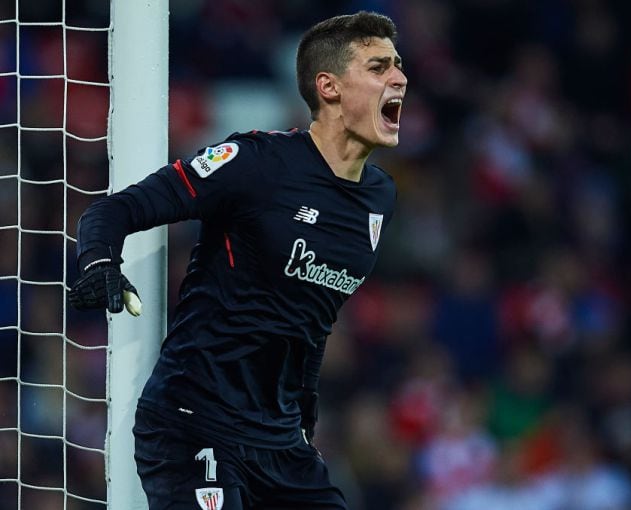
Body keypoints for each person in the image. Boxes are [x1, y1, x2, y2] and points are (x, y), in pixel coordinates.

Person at [68, 11, 406, 509]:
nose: (399, 77)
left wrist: (303, 420)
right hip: (194, 421)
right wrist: (99, 262)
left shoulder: (380, 197)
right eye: (379, 67)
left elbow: (312, 321)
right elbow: (118, 208)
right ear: (329, 87)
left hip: (280, 441)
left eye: (398, 65)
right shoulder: (254, 163)